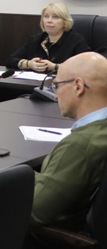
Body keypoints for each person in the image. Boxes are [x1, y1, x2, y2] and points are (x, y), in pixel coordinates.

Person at [30, 52, 107, 230]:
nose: (56, 95)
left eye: (57, 86)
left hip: (53, 240)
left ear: (78, 86)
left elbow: (33, 212)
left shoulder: (80, 145)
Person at [7, 2, 89, 74]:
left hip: (63, 84)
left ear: (65, 22)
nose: (49, 21)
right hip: (35, 83)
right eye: (46, 16)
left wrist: (55, 67)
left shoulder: (76, 41)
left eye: (55, 17)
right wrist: (29, 64)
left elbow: (87, 67)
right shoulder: (35, 40)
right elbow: (10, 60)